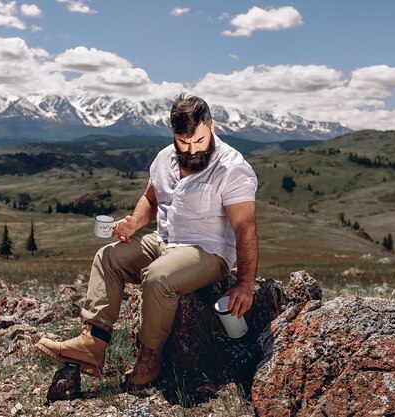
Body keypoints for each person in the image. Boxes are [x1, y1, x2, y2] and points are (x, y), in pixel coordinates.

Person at [36, 93, 259, 388]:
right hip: (163, 240)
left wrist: (244, 283)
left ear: (211, 127)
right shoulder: (165, 158)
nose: (192, 150)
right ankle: (94, 343)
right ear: (173, 133)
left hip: (207, 251)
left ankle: (150, 356)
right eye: (184, 142)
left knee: (158, 278)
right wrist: (134, 221)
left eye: (199, 141)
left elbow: (245, 228)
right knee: (109, 257)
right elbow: (150, 199)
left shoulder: (232, 168)